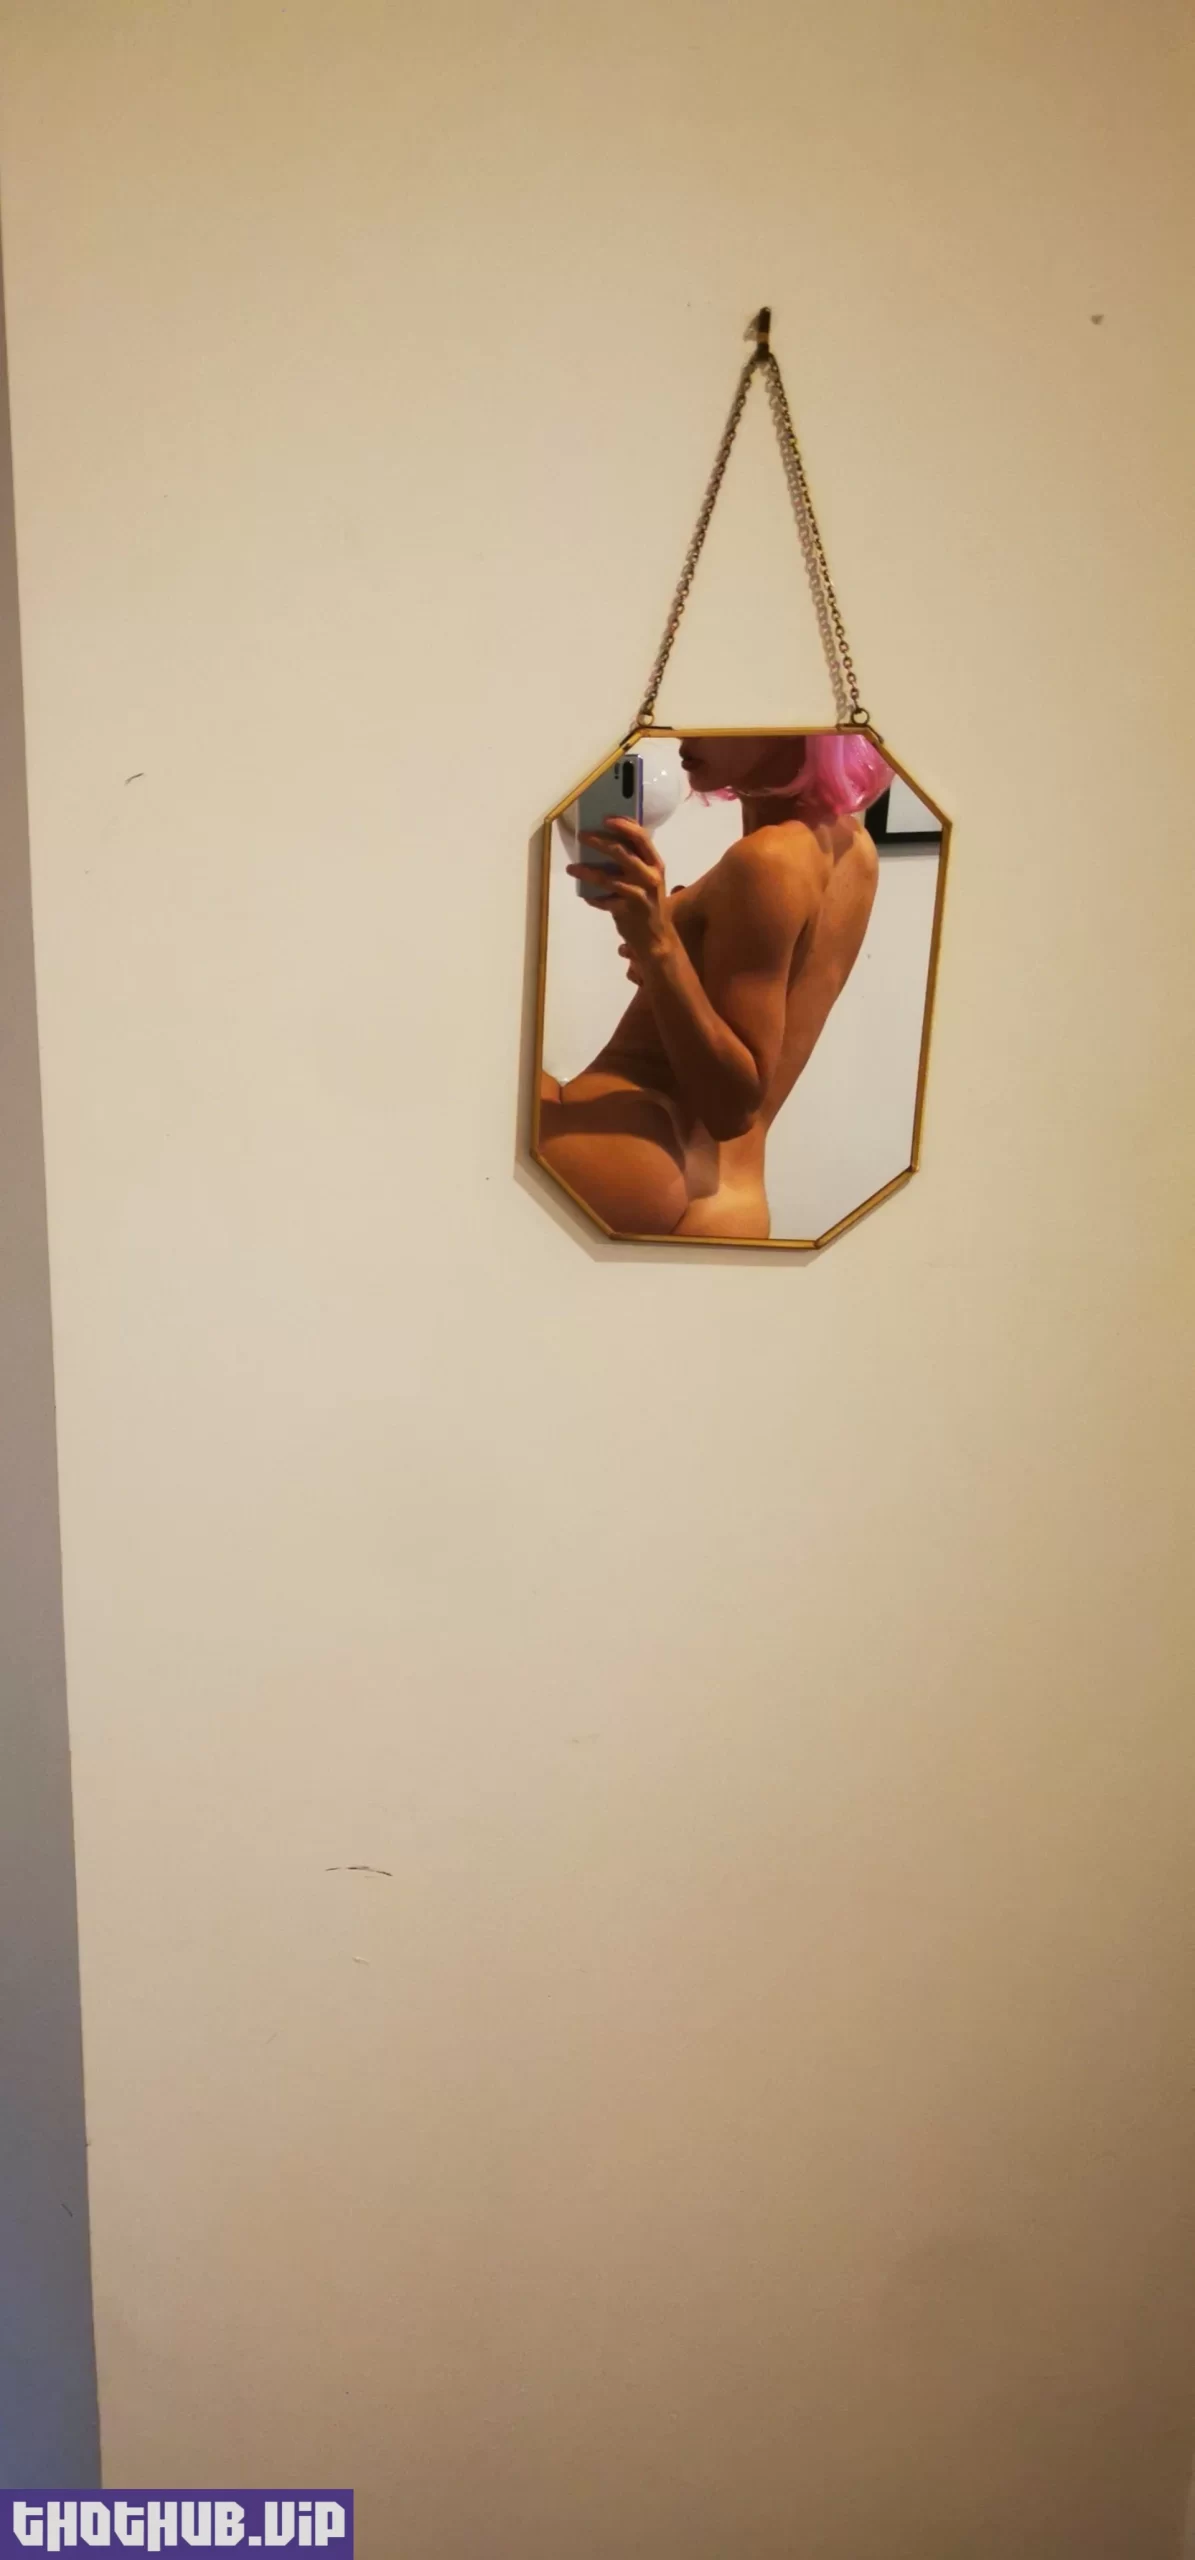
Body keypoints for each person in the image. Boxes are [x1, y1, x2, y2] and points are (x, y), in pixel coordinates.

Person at [537, 731, 892, 1238]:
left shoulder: (766, 859)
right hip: (735, 1196)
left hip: (644, 1150)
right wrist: (675, 960)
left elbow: (732, 1107)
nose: (688, 731)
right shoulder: (852, 845)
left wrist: (659, 945)